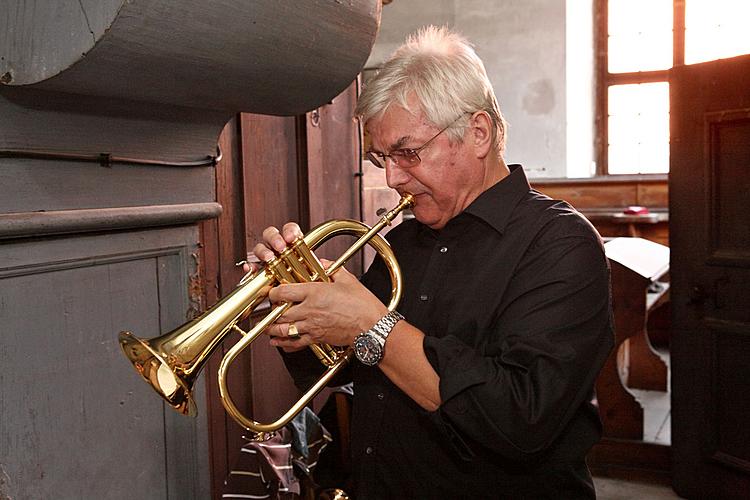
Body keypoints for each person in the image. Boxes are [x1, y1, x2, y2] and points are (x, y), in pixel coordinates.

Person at [250, 26, 613, 499]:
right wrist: (302, 321)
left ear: (477, 133)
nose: (392, 176)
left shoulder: (561, 243)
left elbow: (521, 421)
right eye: (381, 157)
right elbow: (351, 373)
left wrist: (372, 327)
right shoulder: (403, 241)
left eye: (408, 152)